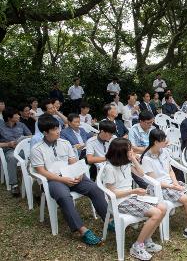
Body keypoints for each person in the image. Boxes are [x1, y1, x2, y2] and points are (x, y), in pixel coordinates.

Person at [30, 115, 108, 245]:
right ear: (45, 132)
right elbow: (42, 172)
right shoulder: (37, 149)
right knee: (65, 197)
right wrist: (63, 179)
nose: (58, 131)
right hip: (53, 180)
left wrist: (79, 173)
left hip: (71, 175)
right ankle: (83, 231)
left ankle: (108, 220)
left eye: (58, 128)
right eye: (54, 129)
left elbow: (73, 162)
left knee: (94, 188)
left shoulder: (64, 143)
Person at [103, 138, 166, 260]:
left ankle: (146, 240)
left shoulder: (126, 162)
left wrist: (133, 160)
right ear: (121, 152)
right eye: (129, 149)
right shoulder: (109, 168)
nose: (132, 151)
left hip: (132, 197)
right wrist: (133, 191)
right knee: (156, 213)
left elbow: (142, 174)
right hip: (120, 201)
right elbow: (113, 193)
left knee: (162, 207)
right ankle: (137, 246)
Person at [0, 107, 32, 195]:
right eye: (16, 115)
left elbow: (31, 136)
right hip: (9, 150)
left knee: (34, 155)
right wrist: (8, 144)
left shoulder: (21, 125)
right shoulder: (1, 127)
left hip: (23, 149)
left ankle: (34, 179)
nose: (18, 116)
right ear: (9, 118)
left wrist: (23, 139)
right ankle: (14, 185)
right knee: (12, 158)